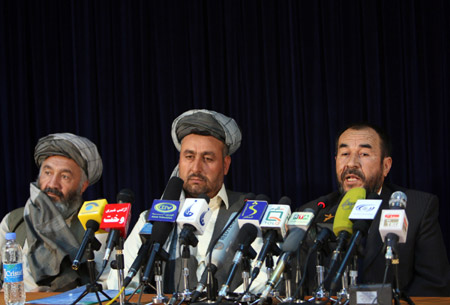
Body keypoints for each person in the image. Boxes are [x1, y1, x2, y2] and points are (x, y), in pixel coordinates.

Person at [107, 109, 259, 294]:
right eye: (189, 157)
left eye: (208, 158)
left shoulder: (248, 209)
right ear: (180, 161)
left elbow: (264, 278)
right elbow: (119, 283)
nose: (196, 168)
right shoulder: (151, 218)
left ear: (225, 165)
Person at [299, 123, 450, 296]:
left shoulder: (417, 208)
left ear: (385, 166)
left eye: (364, 154)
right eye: (345, 154)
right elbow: (301, 284)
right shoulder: (313, 212)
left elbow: (434, 283)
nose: (351, 163)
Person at [0, 133, 107, 292]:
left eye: (64, 176)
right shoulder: (13, 221)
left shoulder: (96, 223)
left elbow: (107, 285)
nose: (53, 184)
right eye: (48, 173)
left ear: (83, 186)